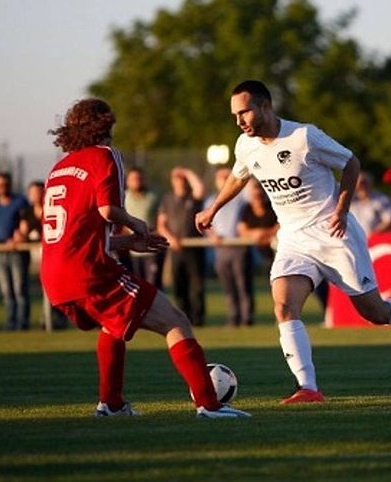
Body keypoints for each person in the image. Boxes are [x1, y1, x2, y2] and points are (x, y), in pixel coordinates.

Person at [196, 80, 391, 405]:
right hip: (292, 237)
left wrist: (342, 210)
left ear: (266, 106)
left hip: (333, 232)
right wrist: (213, 207)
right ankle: (308, 388)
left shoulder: (304, 136)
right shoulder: (245, 145)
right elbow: (239, 175)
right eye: (235, 114)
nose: (239, 120)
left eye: (245, 111)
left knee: (375, 313)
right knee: (283, 307)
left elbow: (351, 163)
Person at [41, 97, 248, 418]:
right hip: (89, 271)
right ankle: (210, 405)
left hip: (54, 276)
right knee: (176, 322)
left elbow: (78, 236)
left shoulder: (58, 168)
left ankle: (111, 403)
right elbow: (107, 209)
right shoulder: (105, 155)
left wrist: (128, 242)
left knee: (112, 326)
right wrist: (138, 225)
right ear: (105, 125)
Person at [158, 166, 207, 326]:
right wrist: (171, 239)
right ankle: (183, 318)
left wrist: (186, 171)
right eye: (177, 178)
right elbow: (161, 224)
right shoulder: (167, 199)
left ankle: (198, 320)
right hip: (176, 249)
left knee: (197, 285)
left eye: (182, 179)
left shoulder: (193, 198)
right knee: (179, 285)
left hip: (194, 248)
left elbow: (200, 187)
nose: (180, 182)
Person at [204, 166, 252, 327]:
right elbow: (206, 223)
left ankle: (246, 318)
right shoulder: (211, 200)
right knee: (228, 286)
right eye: (221, 177)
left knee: (242, 284)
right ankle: (233, 318)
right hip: (221, 248)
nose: (225, 180)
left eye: (227, 177)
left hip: (238, 245)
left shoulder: (240, 197)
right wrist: (213, 235)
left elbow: (251, 186)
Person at [19, 180, 68, 329]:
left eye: (39, 192)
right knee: (44, 291)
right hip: (35, 258)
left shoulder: (52, 210)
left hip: (53, 258)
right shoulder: (26, 213)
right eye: (33, 192)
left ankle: (52, 319)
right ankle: (45, 320)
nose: (36, 195)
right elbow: (23, 233)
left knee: (55, 290)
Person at [0, 172, 31, 330]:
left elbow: (27, 223)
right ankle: (11, 322)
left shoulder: (20, 202)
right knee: (7, 292)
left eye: (5, 184)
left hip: (17, 252)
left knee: (20, 289)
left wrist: (20, 235)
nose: (2, 188)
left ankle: (23, 322)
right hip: (0, 252)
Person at [123, 167, 162, 290]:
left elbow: (162, 217)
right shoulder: (124, 197)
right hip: (132, 250)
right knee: (136, 286)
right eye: (133, 178)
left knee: (153, 285)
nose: (137, 181)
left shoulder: (154, 196)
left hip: (151, 248)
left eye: (139, 178)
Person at [237, 177, 279, 264]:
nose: (258, 198)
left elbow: (279, 227)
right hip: (253, 253)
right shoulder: (246, 209)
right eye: (255, 196)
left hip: (274, 251)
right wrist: (257, 235)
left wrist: (262, 234)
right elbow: (242, 231)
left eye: (260, 195)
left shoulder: (272, 207)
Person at [349, 172, 391, 237]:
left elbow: (389, 219)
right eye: (357, 182)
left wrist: (375, 233)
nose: (361, 185)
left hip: (373, 239)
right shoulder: (350, 200)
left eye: (363, 182)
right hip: (353, 239)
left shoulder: (381, 199)